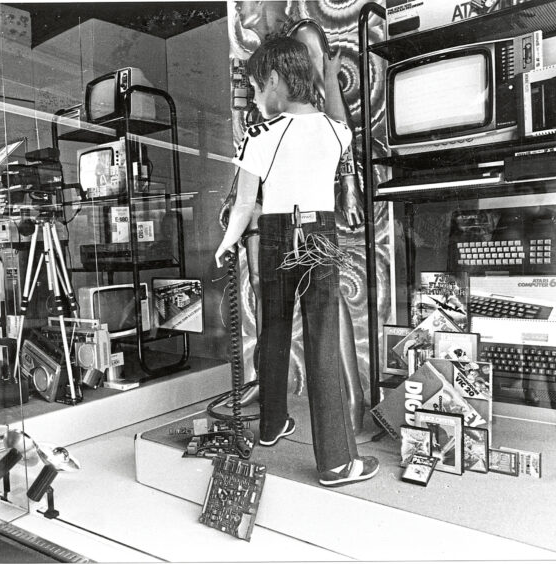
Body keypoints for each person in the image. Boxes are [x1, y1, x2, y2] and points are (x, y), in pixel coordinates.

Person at [214, 36, 378, 487]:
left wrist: (227, 243)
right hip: (319, 234)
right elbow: (340, 120)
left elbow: (246, 204)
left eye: (253, 86)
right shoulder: (336, 131)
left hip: (274, 235)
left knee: (273, 330)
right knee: (323, 341)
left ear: (273, 80)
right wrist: (329, 74)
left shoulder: (260, 134)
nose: (252, 95)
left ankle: (271, 425)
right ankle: (337, 463)